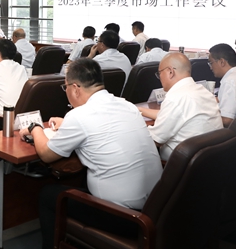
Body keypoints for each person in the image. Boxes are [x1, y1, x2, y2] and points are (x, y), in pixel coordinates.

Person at [24, 58, 162, 249]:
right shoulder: (127, 106)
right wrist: (67, 125)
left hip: (124, 216)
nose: (66, 92)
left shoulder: (79, 116)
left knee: (48, 194)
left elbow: (46, 154)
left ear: (75, 88)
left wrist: (35, 128)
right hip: (156, 210)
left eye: (65, 88)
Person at [138, 53, 223, 161]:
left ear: (170, 72)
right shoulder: (203, 91)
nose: (159, 78)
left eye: (159, 73)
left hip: (179, 164)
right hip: (208, 160)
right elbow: (172, 115)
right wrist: (140, 110)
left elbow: (155, 139)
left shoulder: (175, 98)